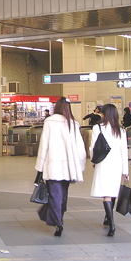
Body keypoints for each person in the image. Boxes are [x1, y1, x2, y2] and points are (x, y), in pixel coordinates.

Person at [34, 97, 86, 237]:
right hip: (68, 167)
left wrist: (40, 166)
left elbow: (44, 145)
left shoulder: (49, 122)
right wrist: (80, 166)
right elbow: (80, 147)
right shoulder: (73, 123)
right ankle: (59, 218)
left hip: (53, 165)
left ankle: (58, 223)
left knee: (55, 194)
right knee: (63, 194)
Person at [90, 103, 129, 237]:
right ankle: (108, 218)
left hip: (103, 163)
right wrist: (125, 171)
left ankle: (111, 225)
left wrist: (93, 161)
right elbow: (124, 152)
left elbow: (93, 147)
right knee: (112, 191)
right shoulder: (121, 130)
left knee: (106, 193)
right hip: (117, 164)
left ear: (104, 114)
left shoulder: (98, 127)